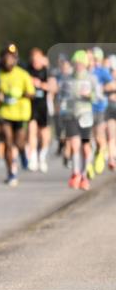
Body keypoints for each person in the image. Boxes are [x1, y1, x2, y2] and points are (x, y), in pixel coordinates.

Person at [60, 50, 101, 190]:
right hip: (71, 114)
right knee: (74, 145)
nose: (78, 66)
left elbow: (99, 96)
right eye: (76, 63)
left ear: (85, 64)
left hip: (85, 115)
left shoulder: (91, 78)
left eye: (80, 64)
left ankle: (84, 176)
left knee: (85, 147)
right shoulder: (67, 78)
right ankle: (75, 174)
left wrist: (90, 95)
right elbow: (61, 95)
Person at [0, 44, 35, 187]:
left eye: (11, 58)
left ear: (15, 59)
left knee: (18, 143)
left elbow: (31, 93)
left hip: (21, 113)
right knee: (7, 142)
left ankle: (23, 151)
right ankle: (11, 172)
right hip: (5, 113)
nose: (8, 60)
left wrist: (19, 94)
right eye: (5, 58)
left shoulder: (23, 74)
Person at [25, 47, 55, 173]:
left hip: (44, 105)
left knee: (44, 135)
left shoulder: (47, 71)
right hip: (31, 105)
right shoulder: (27, 71)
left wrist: (40, 85)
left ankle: (42, 156)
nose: (35, 60)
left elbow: (54, 88)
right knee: (31, 132)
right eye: (33, 58)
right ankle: (33, 159)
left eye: (37, 58)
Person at [89, 47, 113, 178]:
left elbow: (113, 85)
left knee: (98, 137)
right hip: (85, 110)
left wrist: (102, 88)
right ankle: (87, 165)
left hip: (99, 108)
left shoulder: (102, 72)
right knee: (87, 139)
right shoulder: (82, 71)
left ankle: (101, 152)